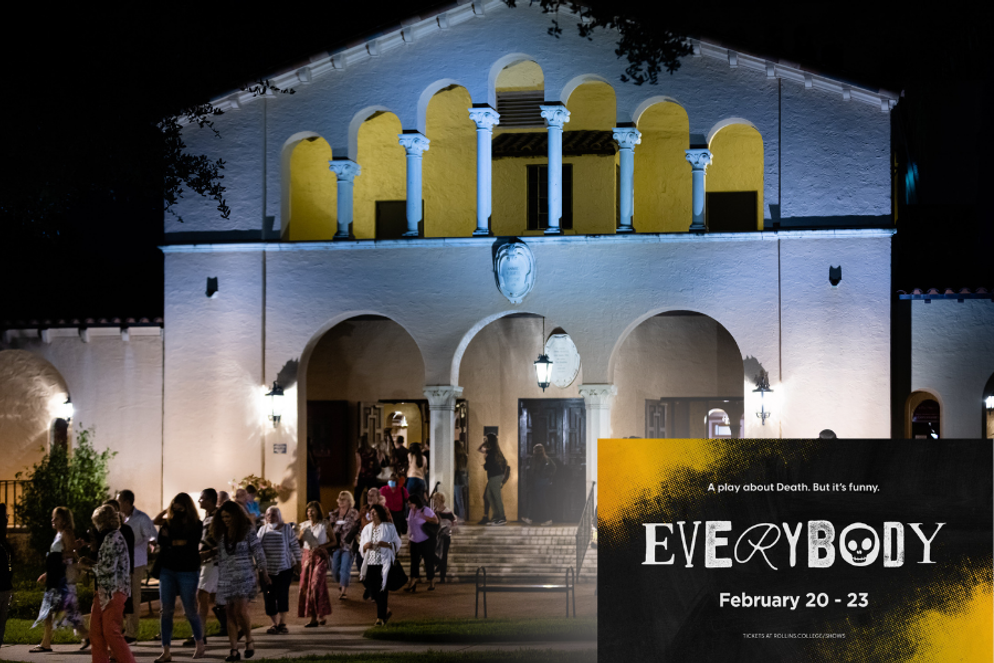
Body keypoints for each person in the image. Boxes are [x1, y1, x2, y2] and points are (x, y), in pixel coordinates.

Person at [213, 501, 268, 662]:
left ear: (236, 515)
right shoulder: (221, 533)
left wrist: (263, 571)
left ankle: (249, 640)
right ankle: (233, 649)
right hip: (226, 576)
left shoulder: (247, 531)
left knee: (241, 610)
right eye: (223, 517)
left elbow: (258, 551)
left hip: (244, 574)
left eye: (228, 516)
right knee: (229, 611)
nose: (225, 520)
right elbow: (222, 556)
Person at [78, 504, 133, 663]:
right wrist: (90, 561)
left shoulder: (113, 538)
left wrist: (86, 566)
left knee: (110, 631)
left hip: (114, 591)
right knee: (96, 632)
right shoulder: (110, 538)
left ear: (102, 522)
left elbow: (107, 569)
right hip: (104, 591)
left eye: (96, 522)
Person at [154, 494, 205, 661]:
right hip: (167, 569)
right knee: (165, 610)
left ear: (187, 508)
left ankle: (199, 644)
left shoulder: (196, 524)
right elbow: (162, 541)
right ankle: (166, 650)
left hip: (187, 569)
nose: (177, 512)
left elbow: (191, 543)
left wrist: (173, 542)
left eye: (180, 508)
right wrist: (174, 541)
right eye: (174, 508)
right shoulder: (168, 522)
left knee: (190, 609)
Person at [31, 506, 88, 652]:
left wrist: (54, 563)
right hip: (57, 576)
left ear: (64, 520)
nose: (53, 520)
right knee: (66, 612)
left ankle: (46, 643)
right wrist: (49, 571)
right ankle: (87, 637)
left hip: (61, 579)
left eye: (56, 518)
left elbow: (69, 554)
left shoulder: (66, 533)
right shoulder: (59, 534)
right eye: (53, 517)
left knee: (56, 611)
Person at [117, 489, 158, 644]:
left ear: (127, 502)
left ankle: (131, 632)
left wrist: (152, 543)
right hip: (121, 564)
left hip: (136, 562)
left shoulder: (141, 518)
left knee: (133, 596)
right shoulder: (119, 519)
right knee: (121, 596)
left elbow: (152, 535)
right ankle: (121, 628)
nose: (118, 504)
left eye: (119, 501)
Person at [257, 506, 300, 634]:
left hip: (284, 568)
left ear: (279, 516)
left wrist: (298, 562)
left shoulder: (287, 529)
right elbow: (258, 549)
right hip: (267, 570)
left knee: (282, 595)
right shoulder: (262, 530)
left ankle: (282, 622)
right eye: (268, 515)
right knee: (269, 597)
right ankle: (274, 623)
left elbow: (294, 546)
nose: (271, 517)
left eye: (274, 514)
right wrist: (260, 568)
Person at [359, 504, 401, 627]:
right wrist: (365, 546)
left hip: (383, 562)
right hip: (371, 561)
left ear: (379, 513)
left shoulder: (388, 527)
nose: (371, 515)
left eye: (374, 512)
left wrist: (387, 544)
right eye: (370, 513)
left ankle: (380, 617)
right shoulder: (367, 528)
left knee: (382, 589)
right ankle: (385, 610)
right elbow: (361, 544)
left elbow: (397, 544)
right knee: (371, 587)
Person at [193, 489, 223, 645]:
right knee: (215, 597)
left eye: (202, 498)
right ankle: (230, 626)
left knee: (201, 595)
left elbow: (222, 540)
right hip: (207, 561)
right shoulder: (208, 517)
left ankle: (200, 633)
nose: (199, 501)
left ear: (210, 500)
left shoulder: (217, 518)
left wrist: (209, 552)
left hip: (212, 561)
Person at [297, 501, 333, 627]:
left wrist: (322, 546)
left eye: (312, 510)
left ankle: (321, 612)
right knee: (307, 586)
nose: (310, 513)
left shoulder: (324, 524)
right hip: (307, 556)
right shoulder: (304, 526)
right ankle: (313, 618)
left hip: (320, 557)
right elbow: (299, 542)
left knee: (316, 584)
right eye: (308, 511)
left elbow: (334, 541)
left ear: (318, 511)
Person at [403, 494, 438, 593]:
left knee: (428, 561)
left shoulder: (425, 510)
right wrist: (409, 538)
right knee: (414, 562)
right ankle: (412, 582)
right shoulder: (411, 511)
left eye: (410, 504)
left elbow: (436, 521)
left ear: (416, 503)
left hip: (425, 540)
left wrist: (425, 518)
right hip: (414, 540)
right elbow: (411, 525)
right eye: (408, 504)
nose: (409, 506)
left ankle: (431, 581)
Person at [328, 492, 360, 601]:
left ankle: (344, 591)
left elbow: (357, 527)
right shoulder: (334, 514)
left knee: (344, 569)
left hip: (348, 546)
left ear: (349, 501)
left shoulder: (354, 513)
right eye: (340, 499)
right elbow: (330, 528)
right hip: (336, 545)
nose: (341, 501)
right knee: (335, 569)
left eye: (344, 499)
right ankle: (340, 583)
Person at [521, 443, 557, 526]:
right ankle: (530, 518)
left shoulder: (534, 459)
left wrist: (529, 480)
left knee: (540, 501)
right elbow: (554, 467)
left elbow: (532, 471)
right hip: (545, 482)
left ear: (535, 451)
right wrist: (550, 478)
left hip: (538, 482)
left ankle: (547, 519)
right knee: (539, 500)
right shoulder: (547, 458)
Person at [479, 433, 509, 525]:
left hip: (494, 477)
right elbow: (504, 462)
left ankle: (502, 517)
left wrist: (485, 461)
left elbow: (487, 467)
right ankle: (496, 517)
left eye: (487, 439)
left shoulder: (490, 453)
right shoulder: (496, 451)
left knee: (496, 497)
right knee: (490, 496)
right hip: (496, 476)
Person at [431, 492, 457, 583]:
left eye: (435, 499)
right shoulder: (434, 511)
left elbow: (453, 521)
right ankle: (438, 563)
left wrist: (449, 528)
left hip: (445, 536)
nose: (434, 501)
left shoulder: (447, 511)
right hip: (437, 536)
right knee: (434, 553)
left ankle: (442, 577)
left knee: (444, 556)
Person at [354, 435, 384, 506]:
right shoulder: (373, 451)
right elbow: (378, 461)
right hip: (372, 476)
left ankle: (357, 511)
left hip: (363, 475)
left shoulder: (359, 451)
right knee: (372, 495)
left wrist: (356, 478)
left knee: (357, 496)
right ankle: (371, 509)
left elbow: (359, 466)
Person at [0, 504, 13, 649]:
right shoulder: (3, 546)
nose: (7, 520)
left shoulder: (5, 545)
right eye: (5, 517)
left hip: (5, 588)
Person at [453, 439, 469, 521]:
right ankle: (461, 517)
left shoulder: (456, 456)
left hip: (457, 477)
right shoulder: (464, 455)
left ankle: (460, 517)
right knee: (459, 498)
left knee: (457, 499)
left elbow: (455, 467)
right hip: (462, 477)